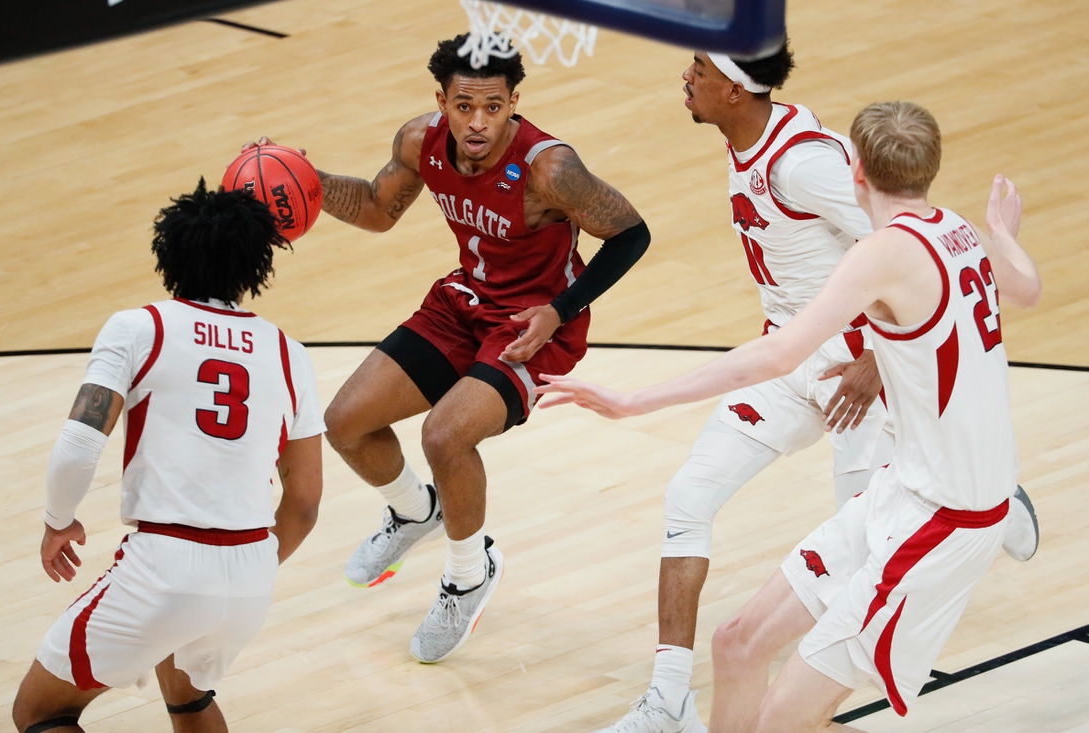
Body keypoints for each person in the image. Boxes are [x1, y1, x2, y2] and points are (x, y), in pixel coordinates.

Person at [577, 45, 1040, 733]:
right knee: (736, 641)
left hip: (931, 496)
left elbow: (786, 347)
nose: (687, 73)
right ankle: (670, 697)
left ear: (854, 168)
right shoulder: (955, 228)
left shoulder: (849, 215)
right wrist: (1001, 232)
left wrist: (635, 399)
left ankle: (996, 503)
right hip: (897, 475)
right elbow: (1024, 290)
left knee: (793, 714)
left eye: (701, 65)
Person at [251, 34, 649, 664]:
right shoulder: (419, 141)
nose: (478, 122)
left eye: (494, 107)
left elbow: (632, 233)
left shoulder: (551, 169)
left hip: (533, 325)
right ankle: (415, 512)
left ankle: (469, 573)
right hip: (464, 301)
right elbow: (381, 210)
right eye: (464, 106)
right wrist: (309, 180)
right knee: (345, 423)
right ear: (442, 101)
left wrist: (559, 310)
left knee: (445, 436)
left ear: (514, 102)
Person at [11, 180, 325, 733]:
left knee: (40, 712)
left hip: (166, 566)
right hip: (251, 575)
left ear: (168, 254)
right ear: (257, 266)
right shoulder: (290, 354)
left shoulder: (139, 327)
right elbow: (302, 503)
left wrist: (58, 521)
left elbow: (80, 443)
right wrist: (237, 577)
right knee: (188, 699)